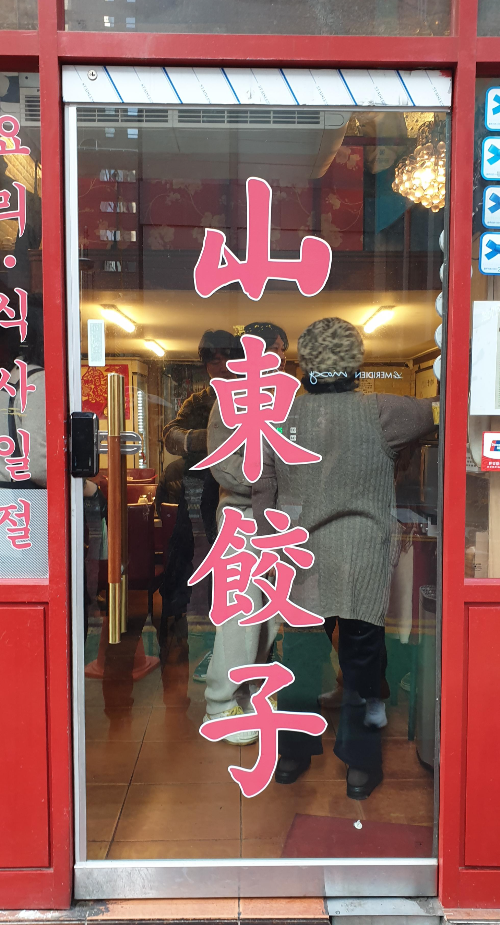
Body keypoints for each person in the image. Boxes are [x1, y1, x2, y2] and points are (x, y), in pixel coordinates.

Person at [252, 317, 437, 799]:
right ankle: (359, 767)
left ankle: (292, 756)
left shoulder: (278, 415)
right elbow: (440, 408)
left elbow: (263, 488)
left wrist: (271, 547)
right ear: (356, 362)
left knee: (300, 657)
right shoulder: (384, 411)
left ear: (304, 363)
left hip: (299, 554)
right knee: (361, 661)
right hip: (361, 556)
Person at [202, 322, 289, 744]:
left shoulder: (284, 397)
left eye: (282, 351)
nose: (280, 358)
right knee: (240, 612)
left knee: (268, 613)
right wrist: (272, 479)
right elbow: (224, 465)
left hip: (277, 520)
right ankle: (219, 703)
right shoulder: (230, 397)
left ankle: (249, 690)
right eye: (274, 349)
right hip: (241, 519)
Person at [162, 330, 242, 674]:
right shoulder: (198, 401)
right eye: (213, 359)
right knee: (191, 565)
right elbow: (170, 436)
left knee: (237, 573)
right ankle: (195, 642)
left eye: (227, 358)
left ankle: (246, 653)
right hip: (199, 494)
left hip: (241, 496)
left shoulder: (252, 395)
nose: (220, 366)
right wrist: (208, 439)